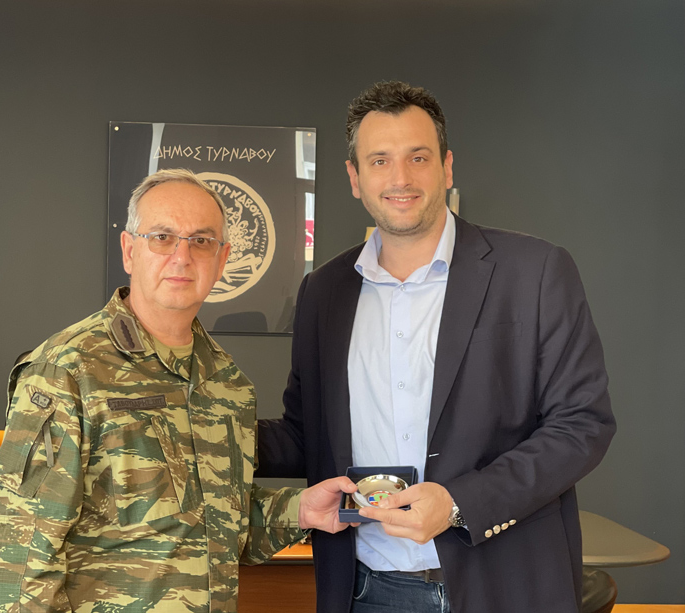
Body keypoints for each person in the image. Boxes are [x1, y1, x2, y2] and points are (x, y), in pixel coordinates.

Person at [257, 81, 616, 613]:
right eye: (379, 160)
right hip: (365, 590)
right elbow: (306, 434)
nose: (400, 178)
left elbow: (582, 424)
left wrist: (457, 504)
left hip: (504, 586)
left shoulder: (535, 271)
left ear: (446, 168)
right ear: (355, 178)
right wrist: (193, 431)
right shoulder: (323, 292)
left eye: (418, 157)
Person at [0, 169, 357, 613]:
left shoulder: (227, 384)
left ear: (222, 258)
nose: (182, 256)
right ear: (129, 250)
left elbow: (216, 526)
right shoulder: (67, 371)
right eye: (162, 237)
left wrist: (302, 510)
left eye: (201, 241)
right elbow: (15, 564)